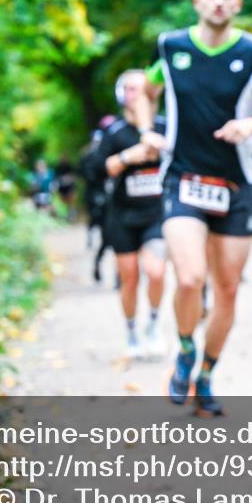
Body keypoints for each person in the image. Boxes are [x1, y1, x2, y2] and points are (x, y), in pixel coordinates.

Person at [134, 0, 252, 416]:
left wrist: (248, 125)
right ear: (197, 1)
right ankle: (185, 349)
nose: (218, 1)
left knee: (227, 290)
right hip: (182, 178)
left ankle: (205, 374)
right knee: (189, 277)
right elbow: (145, 92)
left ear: (238, 4)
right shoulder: (170, 46)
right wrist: (146, 130)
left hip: (235, 185)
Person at [94, 70, 169, 360]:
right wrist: (128, 156)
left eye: (141, 88)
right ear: (121, 94)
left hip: (157, 214)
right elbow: (96, 169)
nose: (135, 94)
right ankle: (131, 332)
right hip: (122, 216)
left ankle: (153, 325)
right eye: (129, 88)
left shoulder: (166, 127)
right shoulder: (114, 132)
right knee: (130, 278)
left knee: (156, 271)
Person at [79, 115, 116, 280]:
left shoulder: (120, 146)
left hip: (118, 202)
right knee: (107, 237)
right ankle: (98, 264)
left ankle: (119, 275)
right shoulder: (92, 155)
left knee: (117, 239)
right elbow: (87, 174)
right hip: (99, 198)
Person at [55, 155, 78, 222]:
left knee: (71, 203)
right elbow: (56, 178)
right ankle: (64, 216)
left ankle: (71, 216)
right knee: (63, 204)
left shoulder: (70, 167)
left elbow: (74, 177)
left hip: (70, 188)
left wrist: (68, 179)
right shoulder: (58, 168)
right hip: (62, 189)